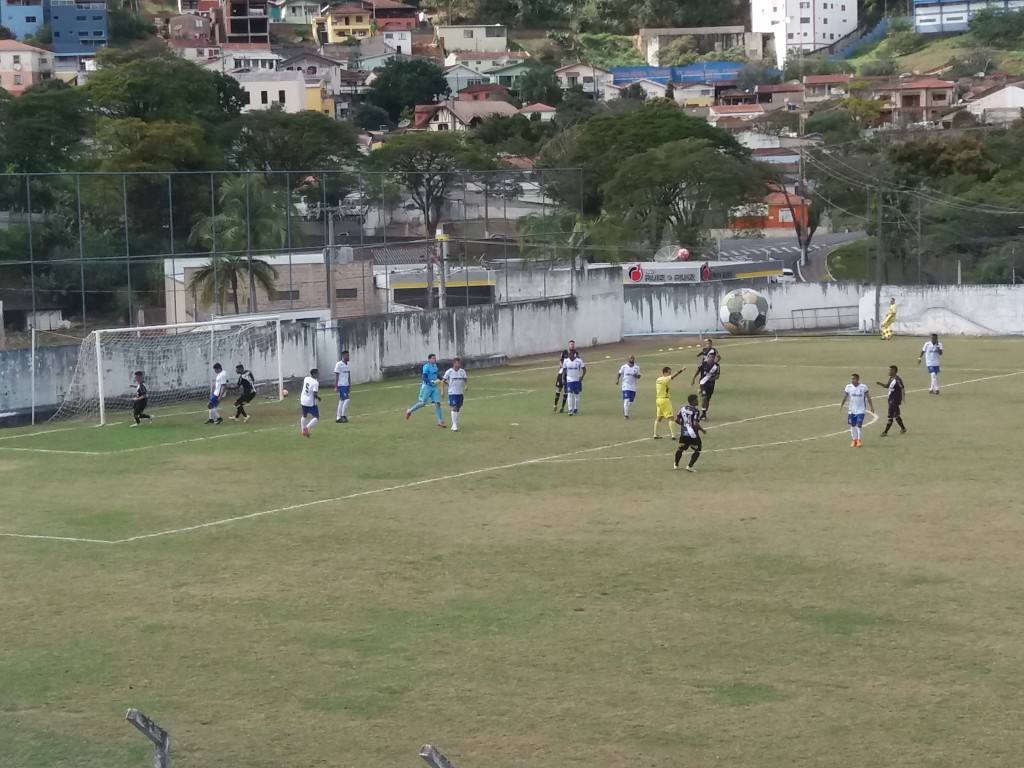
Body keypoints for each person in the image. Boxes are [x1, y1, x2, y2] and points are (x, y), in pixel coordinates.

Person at [406, 353, 445, 427]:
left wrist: (443, 379)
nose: (434, 359)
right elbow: (424, 377)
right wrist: (430, 382)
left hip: (434, 387)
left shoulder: (435, 366)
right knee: (422, 403)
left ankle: (440, 421)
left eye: (435, 358)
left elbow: (437, 375)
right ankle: (409, 411)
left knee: (438, 403)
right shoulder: (426, 367)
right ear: (429, 359)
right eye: (433, 358)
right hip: (427, 387)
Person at [839, 372, 874, 448]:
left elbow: (868, 397)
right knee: (852, 425)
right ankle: (854, 440)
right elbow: (846, 396)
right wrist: (842, 404)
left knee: (859, 424)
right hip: (851, 409)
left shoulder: (863, 387)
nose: (852, 380)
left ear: (857, 379)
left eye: (854, 378)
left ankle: (859, 440)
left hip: (861, 409)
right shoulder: (848, 387)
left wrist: (871, 406)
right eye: (851, 378)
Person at [673, 394, 706, 472]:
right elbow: (695, 423)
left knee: (680, 449)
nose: (698, 401)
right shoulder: (696, 411)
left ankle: (676, 464)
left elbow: (676, 419)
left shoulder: (683, 409)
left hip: (684, 433)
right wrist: (702, 430)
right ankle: (689, 466)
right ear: (693, 401)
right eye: (696, 400)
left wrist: (683, 425)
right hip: (692, 434)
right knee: (698, 449)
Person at [653, 365, 685, 439]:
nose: (670, 374)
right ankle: (673, 435)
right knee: (671, 417)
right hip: (665, 400)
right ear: (665, 372)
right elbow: (673, 376)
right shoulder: (665, 379)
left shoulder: (658, 379)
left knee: (659, 417)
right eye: (669, 372)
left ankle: (655, 434)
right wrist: (681, 370)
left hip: (658, 400)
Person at [877, 364, 907, 436]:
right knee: (896, 415)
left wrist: (903, 398)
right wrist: (880, 384)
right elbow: (887, 386)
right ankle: (903, 428)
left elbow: (902, 388)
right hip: (891, 399)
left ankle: (885, 432)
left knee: (890, 417)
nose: (888, 371)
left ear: (894, 371)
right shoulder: (891, 379)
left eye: (890, 370)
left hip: (894, 401)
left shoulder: (897, 380)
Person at [441, 357, 469, 432]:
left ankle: (455, 423)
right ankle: (454, 425)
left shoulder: (462, 372)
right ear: (454, 363)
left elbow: (465, 379)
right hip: (452, 393)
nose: (459, 364)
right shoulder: (449, 372)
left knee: (458, 408)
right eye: (458, 363)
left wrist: (466, 385)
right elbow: (443, 381)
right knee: (454, 407)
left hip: (460, 393)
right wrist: (442, 391)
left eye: (460, 363)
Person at [692, 353, 721, 420]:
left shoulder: (716, 366)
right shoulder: (703, 364)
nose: (711, 358)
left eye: (712, 357)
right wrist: (693, 378)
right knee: (704, 398)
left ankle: (704, 413)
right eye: (710, 357)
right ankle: (703, 414)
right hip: (703, 383)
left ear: (714, 358)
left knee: (707, 400)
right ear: (708, 357)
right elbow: (698, 371)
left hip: (711, 384)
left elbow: (717, 376)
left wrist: (711, 379)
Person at [553, 340, 576, 413]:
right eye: (571, 344)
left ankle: (562, 407)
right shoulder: (564, 352)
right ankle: (555, 405)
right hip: (562, 373)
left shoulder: (575, 353)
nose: (572, 345)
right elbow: (560, 361)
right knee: (559, 389)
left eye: (573, 344)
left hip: (569, 375)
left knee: (566, 391)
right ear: (568, 345)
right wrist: (563, 367)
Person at [615, 355, 641, 419]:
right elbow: (619, 373)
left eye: (633, 358)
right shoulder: (624, 367)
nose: (632, 359)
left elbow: (639, 376)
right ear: (628, 359)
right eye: (631, 358)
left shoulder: (637, 368)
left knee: (631, 402)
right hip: (625, 385)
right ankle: (626, 415)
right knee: (626, 400)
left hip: (633, 386)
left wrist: (636, 376)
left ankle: (625, 408)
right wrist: (617, 380)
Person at [562, 348, 586, 415]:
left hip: (576, 380)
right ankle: (570, 409)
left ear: (573, 354)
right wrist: (563, 379)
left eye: (570, 353)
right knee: (569, 394)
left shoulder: (579, 361)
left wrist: (582, 376)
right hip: (569, 380)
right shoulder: (566, 361)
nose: (569, 355)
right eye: (568, 353)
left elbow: (584, 369)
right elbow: (564, 370)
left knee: (576, 395)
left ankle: (576, 408)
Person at [299, 368, 322, 438]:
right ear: (314, 374)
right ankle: (307, 427)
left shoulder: (306, 378)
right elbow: (315, 394)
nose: (319, 374)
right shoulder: (315, 383)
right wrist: (319, 398)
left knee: (304, 415)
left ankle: (303, 432)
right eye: (318, 373)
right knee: (316, 417)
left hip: (303, 400)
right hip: (310, 402)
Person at [334, 350, 352, 423]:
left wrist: (349, 385)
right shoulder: (338, 364)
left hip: (346, 385)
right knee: (347, 399)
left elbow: (348, 375)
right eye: (347, 355)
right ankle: (343, 415)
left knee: (341, 401)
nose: (348, 357)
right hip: (341, 385)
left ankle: (338, 417)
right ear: (343, 356)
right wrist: (336, 386)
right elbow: (336, 376)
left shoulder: (348, 364)